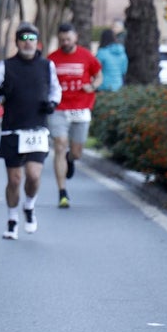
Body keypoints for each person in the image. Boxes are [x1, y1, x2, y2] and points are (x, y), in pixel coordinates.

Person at [0, 22, 61, 239]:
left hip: (37, 130)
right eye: (23, 38)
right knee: (14, 180)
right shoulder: (5, 66)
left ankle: (29, 206)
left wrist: (52, 103)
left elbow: (55, 89)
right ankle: (12, 219)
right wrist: (0, 92)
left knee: (33, 176)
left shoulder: (46, 65)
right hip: (12, 129)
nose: (27, 43)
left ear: (37, 41)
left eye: (31, 39)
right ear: (17, 41)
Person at [48, 22, 102, 208]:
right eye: (62, 39)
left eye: (68, 39)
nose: (65, 42)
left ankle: (71, 159)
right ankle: (62, 193)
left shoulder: (86, 56)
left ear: (75, 37)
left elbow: (99, 75)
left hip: (81, 108)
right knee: (60, 145)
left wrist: (93, 86)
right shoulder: (52, 59)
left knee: (77, 152)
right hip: (59, 108)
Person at [96, 28, 128, 92]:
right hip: (118, 86)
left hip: (103, 87)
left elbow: (95, 70)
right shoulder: (122, 53)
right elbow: (123, 71)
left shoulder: (101, 52)